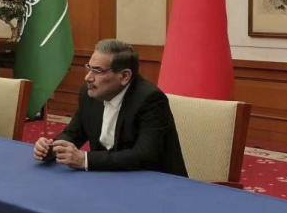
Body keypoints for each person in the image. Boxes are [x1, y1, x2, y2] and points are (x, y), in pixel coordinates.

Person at [33, 39, 187, 176]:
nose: (88, 77)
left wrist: (85, 159)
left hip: (154, 183)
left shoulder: (150, 100)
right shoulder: (90, 93)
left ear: (124, 77)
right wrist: (51, 147)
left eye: (98, 71)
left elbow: (144, 155)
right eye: (89, 68)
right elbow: (73, 133)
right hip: (107, 178)